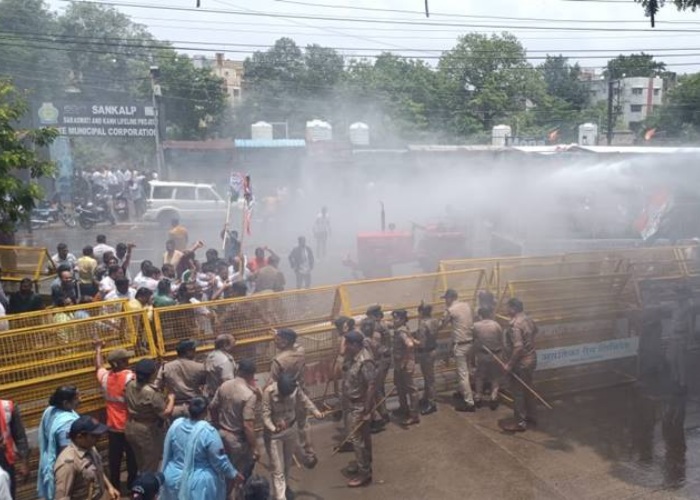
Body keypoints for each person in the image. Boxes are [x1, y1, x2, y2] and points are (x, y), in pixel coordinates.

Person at [161, 397, 243, 500]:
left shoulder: (176, 425)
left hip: (172, 478)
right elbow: (219, 460)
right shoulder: (208, 432)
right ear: (205, 412)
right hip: (197, 486)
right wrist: (233, 474)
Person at [262, 373, 323, 500]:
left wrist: (315, 411)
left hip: (291, 429)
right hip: (275, 435)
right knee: (277, 469)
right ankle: (280, 497)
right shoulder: (268, 392)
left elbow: (304, 399)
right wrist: (274, 428)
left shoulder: (294, 387)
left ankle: (286, 487)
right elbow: (265, 417)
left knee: (287, 464)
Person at [209, 359, 260, 496]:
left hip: (221, 435)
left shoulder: (224, 385)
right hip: (237, 440)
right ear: (251, 375)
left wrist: (216, 425)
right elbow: (248, 425)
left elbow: (212, 407)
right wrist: (255, 448)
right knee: (239, 474)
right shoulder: (249, 395)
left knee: (223, 471)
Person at [269, 329, 316, 467]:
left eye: (277, 339)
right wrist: (280, 334)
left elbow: (273, 381)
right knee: (303, 423)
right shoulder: (300, 354)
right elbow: (294, 342)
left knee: (287, 426)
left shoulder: (278, 361)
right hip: (300, 392)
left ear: (285, 341)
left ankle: (295, 456)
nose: (275, 341)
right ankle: (308, 451)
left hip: (285, 397)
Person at [95, 342, 138, 492]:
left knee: (115, 460)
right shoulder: (130, 377)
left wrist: (98, 349)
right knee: (132, 459)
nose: (128, 362)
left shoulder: (106, 378)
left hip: (113, 427)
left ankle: (115, 487)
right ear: (117, 363)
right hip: (129, 426)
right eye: (125, 360)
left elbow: (98, 367)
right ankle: (133, 486)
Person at [125, 359, 175, 474]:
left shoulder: (130, 385)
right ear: (152, 374)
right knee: (150, 464)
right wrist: (171, 399)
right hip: (146, 430)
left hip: (131, 426)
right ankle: (147, 489)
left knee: (141, 463)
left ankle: (141, 485)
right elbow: (165, 413)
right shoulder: (152, 393)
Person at [53, 416, 120, 500]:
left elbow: (97, 470)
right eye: (94, 436)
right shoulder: (68, 462)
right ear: (80, 437)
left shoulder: (91, 448)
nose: (98, 438)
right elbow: (62, 497)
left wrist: (110, 487)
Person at [340, 331, 376, 488]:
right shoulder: (353, 356)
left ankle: (364, 473)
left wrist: (367, 410)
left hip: (359, 405)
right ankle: (364, 463)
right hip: (352, 403)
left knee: (357, 440)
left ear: (355, 345)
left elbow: (371, 386)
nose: (345, 346)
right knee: (361, 438)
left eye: (347, 343)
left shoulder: (365, 360)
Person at [500, 298, 539, 432]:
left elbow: (518, 347)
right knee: (528, 389)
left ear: (514, 308)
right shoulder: (529, 319)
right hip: (532, 359)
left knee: (518, 393)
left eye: (508, 308)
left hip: (521, 363)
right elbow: (535, 331)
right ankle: (532, 416)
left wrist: (509, 364)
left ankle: (520, 422)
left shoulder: (515, 325)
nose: (506, 310)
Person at [37, 386, 81, 500]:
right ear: (66, 403)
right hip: (64, 466)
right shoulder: (67, 423)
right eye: (76, 398)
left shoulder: (49, 411)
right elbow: (66, 453)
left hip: (49, 460)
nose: (80, 400)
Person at [441, 288, 475, 412]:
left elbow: (441, 325)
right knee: (468, 371)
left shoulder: (450, 310)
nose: (445, 301)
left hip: (461, 345)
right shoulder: (466, 305)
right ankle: (464, 392)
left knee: (463, 375)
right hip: (470, 342)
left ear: (451, 298)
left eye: (446, 298)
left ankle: (469, 402)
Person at [154, 339, 206, 418]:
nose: (195, 351)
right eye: (193, 349)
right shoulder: (199, 367)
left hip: (174, 407)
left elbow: (156, 386)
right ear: (188, 352)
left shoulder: (166, 367)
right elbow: (205, 384)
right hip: (195, 408)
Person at [391, 309, 419, 426]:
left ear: (402, 319)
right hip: (400, 364)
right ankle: (404, 408)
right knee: (400, 387)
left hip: (404, 364)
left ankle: (414, 415)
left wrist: (405, 360)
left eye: (396, 318)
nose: (394, 320)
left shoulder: (401, 331)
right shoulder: (403, 329)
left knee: (411, 390)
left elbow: (410, 345)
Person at [473, 307, 505, 411]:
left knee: (479, 376)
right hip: (496, 354)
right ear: (490, 314)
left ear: (480, 315)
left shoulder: (476, 326)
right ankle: (493, 397)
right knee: (495, 377)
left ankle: (478, 397)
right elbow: (501, 340)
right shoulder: (496, 325)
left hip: (482, 355)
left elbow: (473, 339)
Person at [365, 305, 391, 426]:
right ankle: (384, 412)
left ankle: (384, 414)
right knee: (379, 388)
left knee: (377, 389)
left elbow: (375, 346)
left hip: (380, 360)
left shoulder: (376, 328)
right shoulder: (383, 324)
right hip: (385, 358)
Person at [0, 398, 29, 499]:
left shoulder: (7, 407)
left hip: (5, 460)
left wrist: (24, 463)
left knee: (7, 493)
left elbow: (20, 436)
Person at [414, 303, 439, 415]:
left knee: (429, 379)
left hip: (425, 353)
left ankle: (432, 403)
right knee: (429, 378)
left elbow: (421, 343)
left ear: (421, 312)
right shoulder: (434, 321)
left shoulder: (423, 324)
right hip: (432, 350)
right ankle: (426, 397)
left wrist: (411, 339)